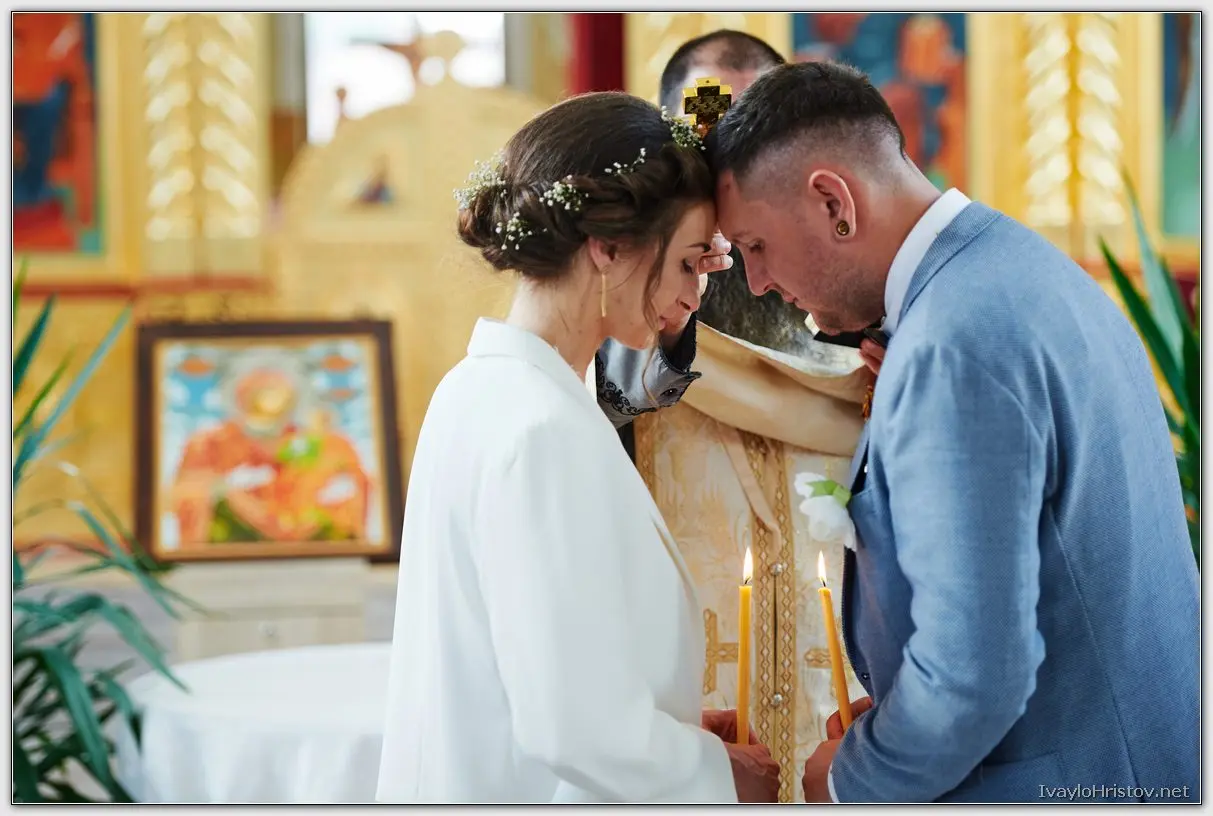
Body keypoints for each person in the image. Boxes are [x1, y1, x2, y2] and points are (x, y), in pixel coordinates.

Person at [707, 60, 1200, 803]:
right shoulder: (1018, 263)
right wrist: (904, 709)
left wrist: (852, 778)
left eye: (754, 246)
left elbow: (972, 676)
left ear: (833, 202)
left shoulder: (950, 343)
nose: (756, 282)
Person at [375, 92, 780, 804]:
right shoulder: (541, 430)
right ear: (608, 248)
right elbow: (569, 727)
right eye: (690, 263)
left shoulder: (479, 388)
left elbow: (532, 662)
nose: (695, 297)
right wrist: (713, 774)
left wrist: (672, 729)